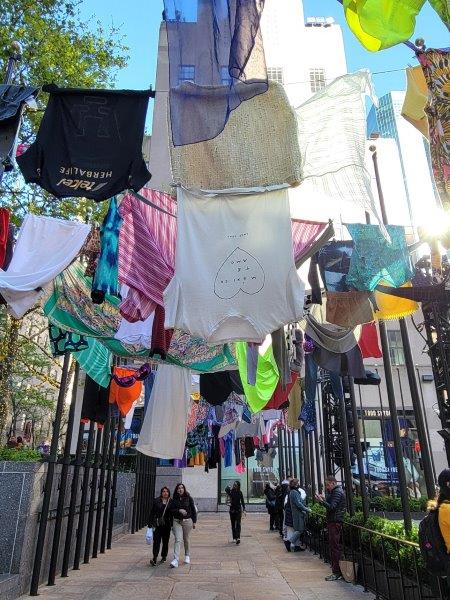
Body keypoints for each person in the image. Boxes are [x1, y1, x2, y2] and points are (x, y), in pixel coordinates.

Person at [315, 476, 346, 581]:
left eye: (328, 485)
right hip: (334, 521)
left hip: (335, 521)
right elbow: (332, 505)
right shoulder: (335, 492)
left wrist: (321, 501)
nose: (327, 487)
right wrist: (323, 500)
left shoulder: (337, 492)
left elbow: (332, 507)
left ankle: (336, 572)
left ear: (333, 483)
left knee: (334, 547)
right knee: (334, 547)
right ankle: (336, 570)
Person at [170, 483, 197, 568]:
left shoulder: (189, 498)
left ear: (184, 489)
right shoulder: (174, 499)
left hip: (187, 521)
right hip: (176, 521)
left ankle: (187, 555)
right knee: (178, 539)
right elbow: (171, 510)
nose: (180, 489)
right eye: (178, 488)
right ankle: (175, 560)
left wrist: (194, 522)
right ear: (176, 490)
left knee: (186, 539)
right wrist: (179, 510)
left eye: (182, 488)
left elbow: (193, 510)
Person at [148, 486, 172, 566]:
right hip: (158, 525)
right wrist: (150, 524)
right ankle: (154, 557)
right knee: (156, 542)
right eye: (163, 491)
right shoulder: (156, 500)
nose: (165, 493)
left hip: (167, 525)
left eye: (166, 491)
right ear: (161, 493)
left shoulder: (171, 501)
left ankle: (164, 556)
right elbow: (152, 512)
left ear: (168, 493)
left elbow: (173, 514)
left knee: (165, 542)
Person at [288, 478, 310, 550]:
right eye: (297, 483)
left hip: (297, 513)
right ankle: (290, 542)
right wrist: (307, 509)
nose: (298, 484)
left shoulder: (292, 492)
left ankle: (291, 543)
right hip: (298, 514)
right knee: (299, 530)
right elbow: (298, 504)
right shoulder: (294, 492)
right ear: (295, 484)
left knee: (298, 529)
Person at [227, 480, 246, 544]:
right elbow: (226, 490)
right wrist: (228, 487)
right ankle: (234, 537)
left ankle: (238, 538)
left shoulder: (240, 492)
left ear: (238, 485)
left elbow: (242, 501)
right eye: (234, 484)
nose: (234, 485)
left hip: (238, 510)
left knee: (238, 524)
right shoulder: (231, 491)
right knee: (233, 524)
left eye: (236, 484)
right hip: (232, 510)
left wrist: (244, 509)